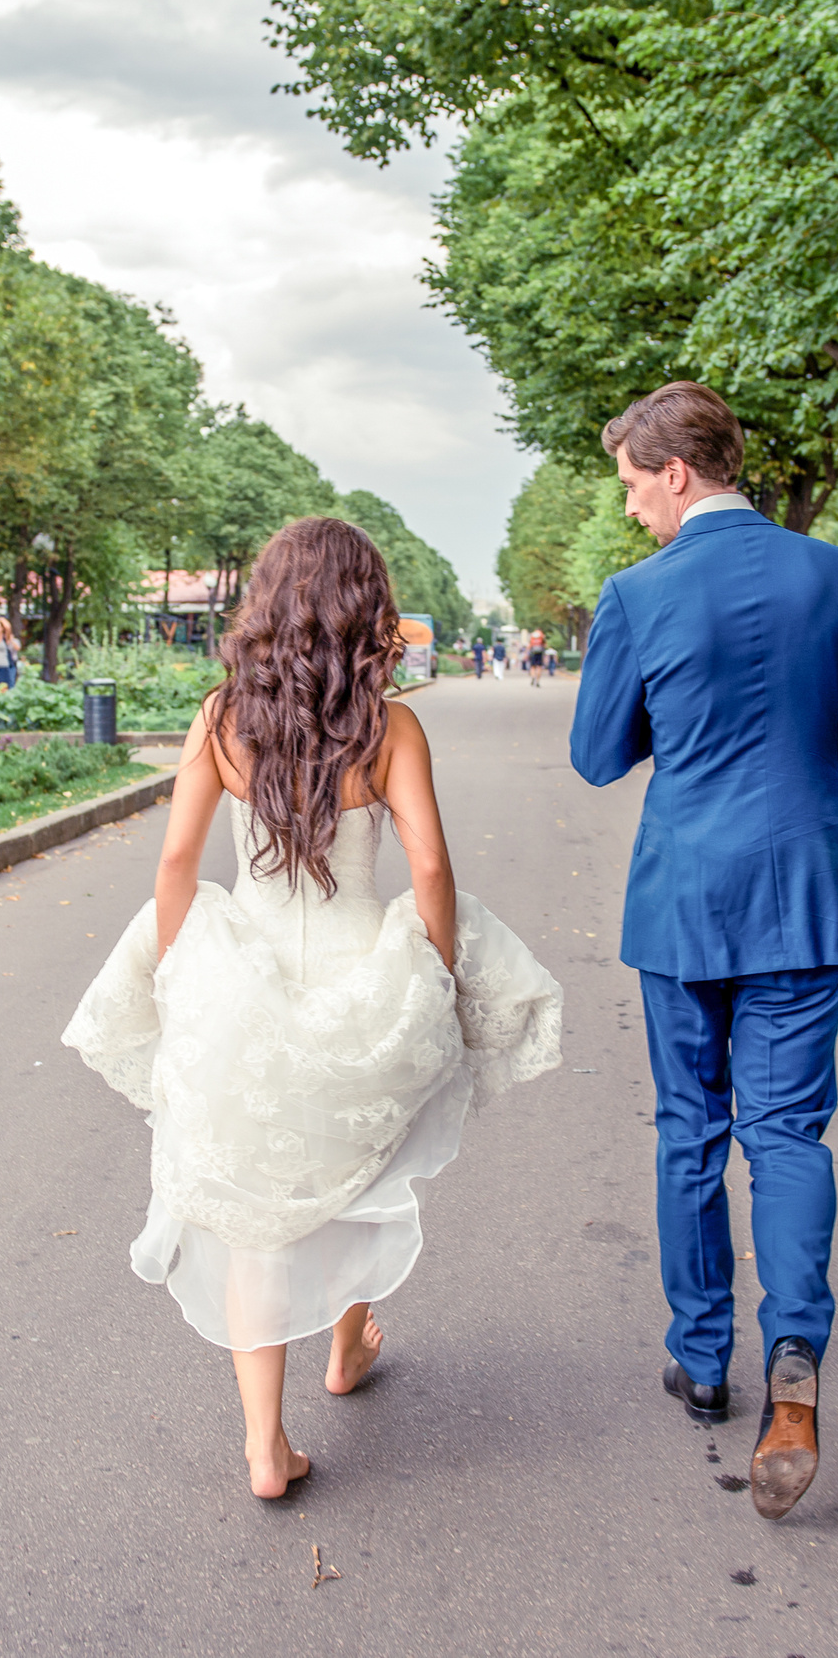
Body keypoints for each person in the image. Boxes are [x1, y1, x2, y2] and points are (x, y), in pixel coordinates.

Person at [63, 517, 563, 1501]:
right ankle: (347, 1340)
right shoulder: (389, 726)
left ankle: (264, 1446)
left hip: (244, 970)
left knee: (253, 1203)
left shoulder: (221, 719)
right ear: (364, 609)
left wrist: (178, 979)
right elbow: (427, 865)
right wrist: (435, 965)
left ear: (268, 603)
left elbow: (174, 865)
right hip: (357, 963)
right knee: (362, 1154)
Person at [569, 380, 838, 1522]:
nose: (630, 507)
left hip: (685, 902)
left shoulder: (636, 593)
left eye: (632, 483)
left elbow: (596, 753)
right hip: (806, 895)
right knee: (786, 1131)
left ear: (676, 471)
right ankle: (795, 1347)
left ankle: (700, 1357)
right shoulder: (836, 576)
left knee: (692, 1129)